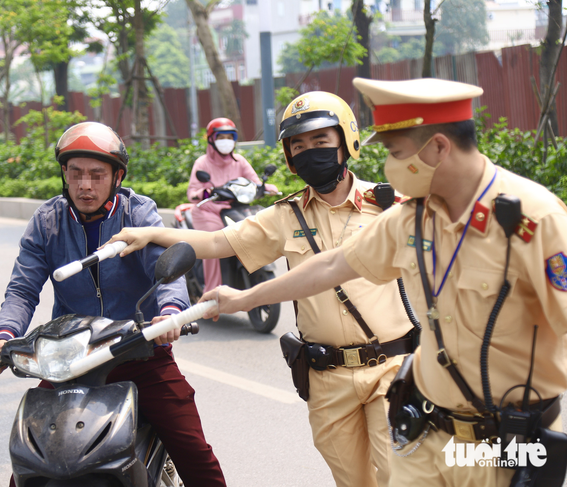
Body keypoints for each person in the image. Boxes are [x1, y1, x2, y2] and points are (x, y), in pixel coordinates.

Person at [194, 78, 567, 486]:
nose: (388, 165)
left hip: (503, 440)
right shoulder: (412, 218)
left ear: (439, 147)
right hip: (427, 430)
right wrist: (243, 298)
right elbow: (330, 267)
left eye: (395, 152)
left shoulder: (535, 222)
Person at [108, 93, 419, 487]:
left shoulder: (389, 206)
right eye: (298, 146)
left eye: (321, 141)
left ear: (346, 141)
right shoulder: (285, 216)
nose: (309, 152)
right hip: (327, 380)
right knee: (352, 481)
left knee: (400, 475)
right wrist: (151, 232)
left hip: (389, 371)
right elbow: (219, 243)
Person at [0, 121, 227, 487]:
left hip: (139, 351)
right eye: (75, 173)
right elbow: (22, 288)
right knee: (32, 458)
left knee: (192, 448)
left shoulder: (137, 214)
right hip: (71, 360)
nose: (84, 185)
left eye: (96, 175)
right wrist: (3, 337)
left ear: (117, 176)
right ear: (64, 174)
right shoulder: (47, 222)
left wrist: (170, 314)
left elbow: (166, 272)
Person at [187, 118, 277, 293]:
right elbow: (193, 192)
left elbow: (254, 182)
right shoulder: (202, 163)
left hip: (235, 210)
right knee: (212, 243)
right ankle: (211, 293)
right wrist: (208, 192)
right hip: (208, 212)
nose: (226, 141)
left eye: (230, 137)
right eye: (222, 137)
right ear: (212, 139)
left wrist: (264, 188)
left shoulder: (239, 161)